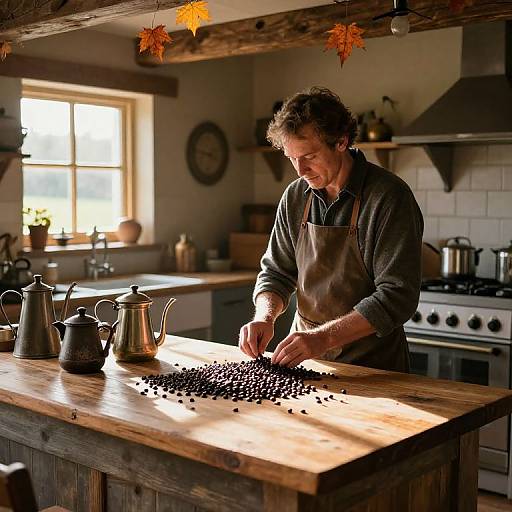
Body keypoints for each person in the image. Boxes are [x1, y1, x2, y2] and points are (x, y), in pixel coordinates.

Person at [239, 86, 423, 373]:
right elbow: (276, 272)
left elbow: (397, 295)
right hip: (304, 361)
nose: (300, 170)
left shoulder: (388, 197)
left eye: (309, 156)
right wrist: (264, 317)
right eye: (291, 158)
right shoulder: (296, 196)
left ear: (341, 141)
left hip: (375, 368)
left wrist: (322, 338)